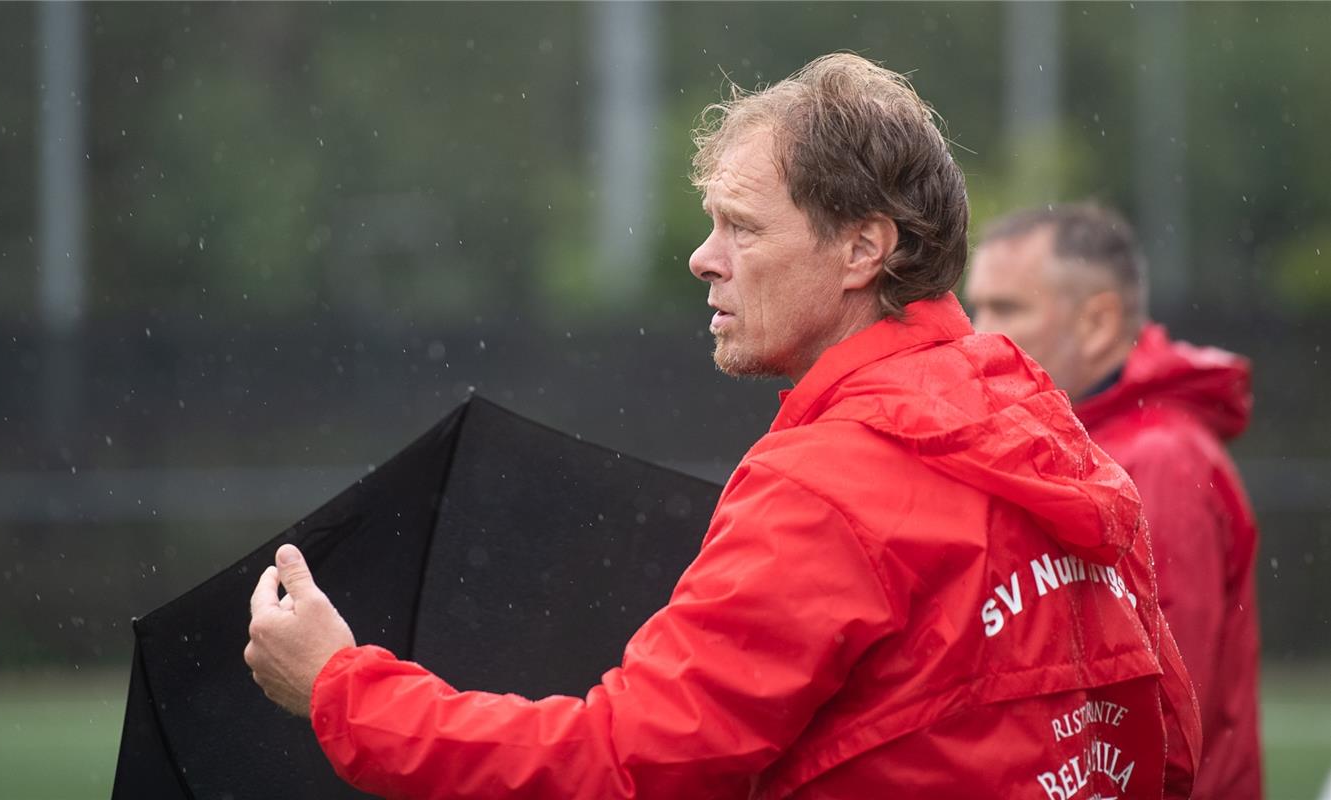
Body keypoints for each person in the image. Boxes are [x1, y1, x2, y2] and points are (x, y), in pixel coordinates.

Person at [246, 54, 1201, 798]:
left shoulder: (830, 484)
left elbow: (624, 770)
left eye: (740, 226)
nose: (704, 259)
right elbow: (1168, 749)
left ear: (863, 248)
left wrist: (345, 691)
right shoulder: (1050, 431)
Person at [966, 203, 1262, 799]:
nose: (976, 334)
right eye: (975, 305)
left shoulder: (1158, 462)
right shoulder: (1089, 444)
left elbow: (1157, 714)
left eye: (1006, 308)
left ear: (1099, 324)